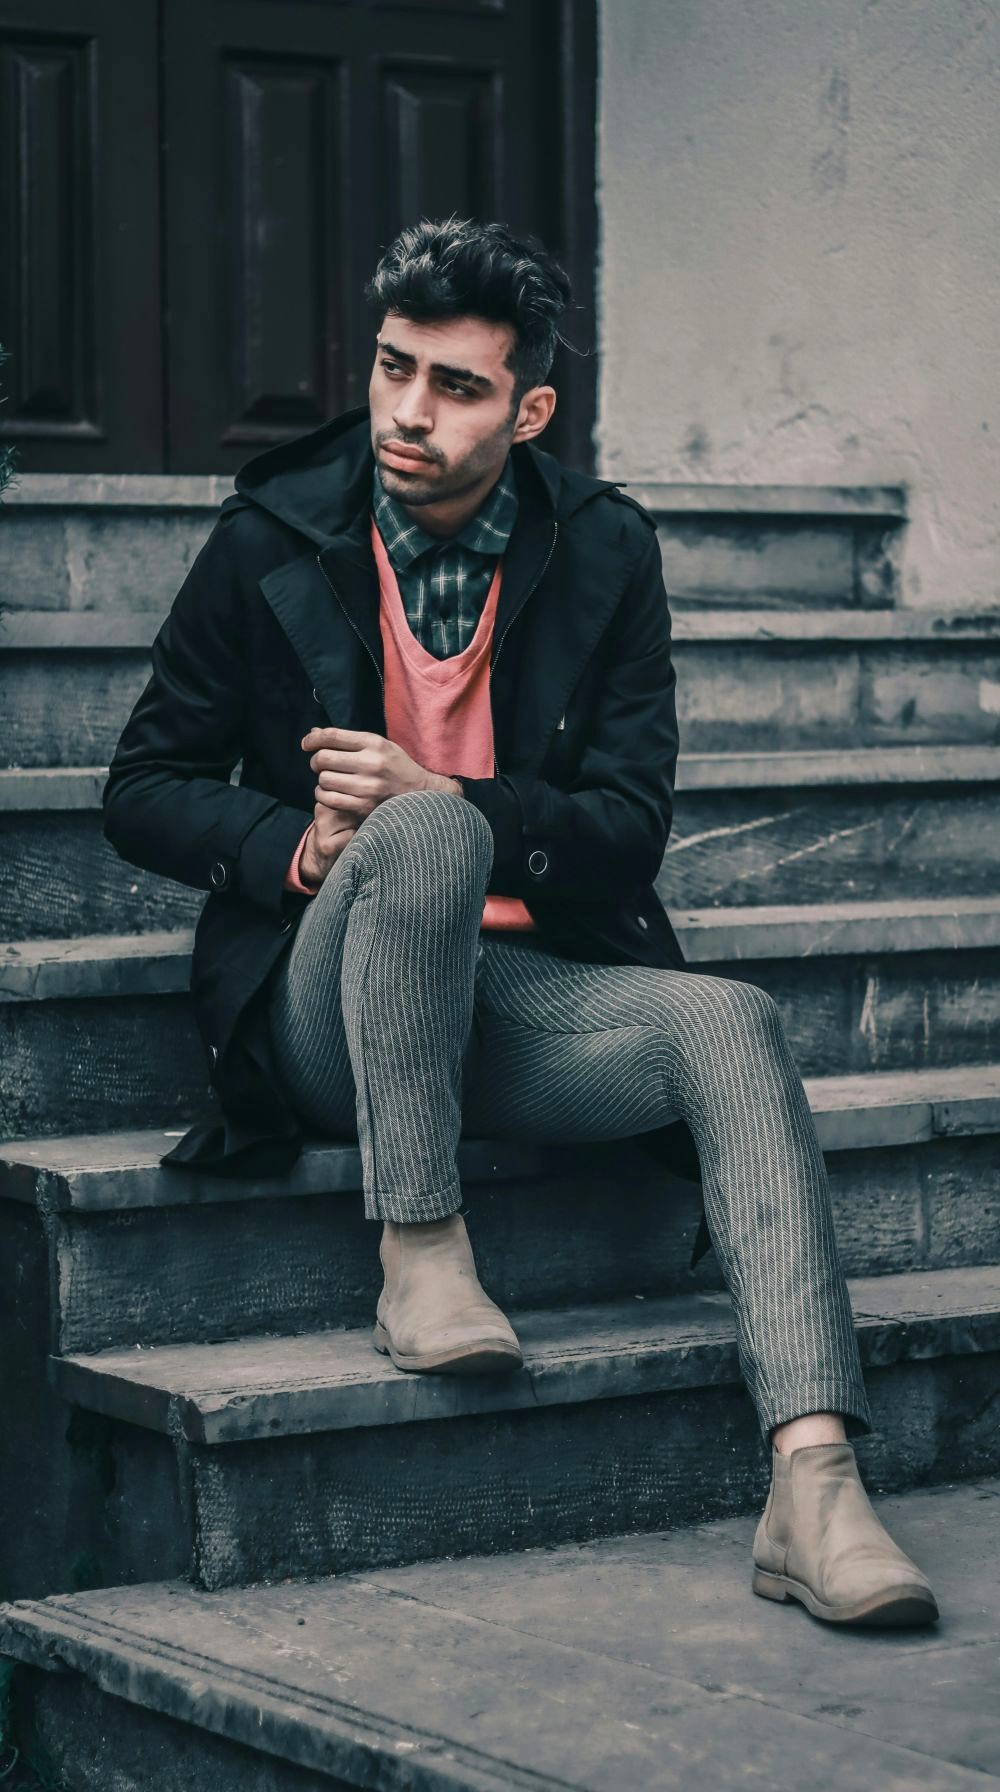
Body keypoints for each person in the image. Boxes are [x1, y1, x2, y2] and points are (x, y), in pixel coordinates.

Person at [104, 216, 937, 1628]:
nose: (410, 412)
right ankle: (421, 1249)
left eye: (459, 385)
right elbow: (142, 789)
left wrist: (457, 793)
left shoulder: (605, 551)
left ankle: (815, 1481)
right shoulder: (270, 539)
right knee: (415, 831)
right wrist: (289, 845)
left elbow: (628, 831)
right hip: (335, 1011)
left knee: (727, 1019)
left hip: (527, 993)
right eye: (393, 369)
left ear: (530, 408)